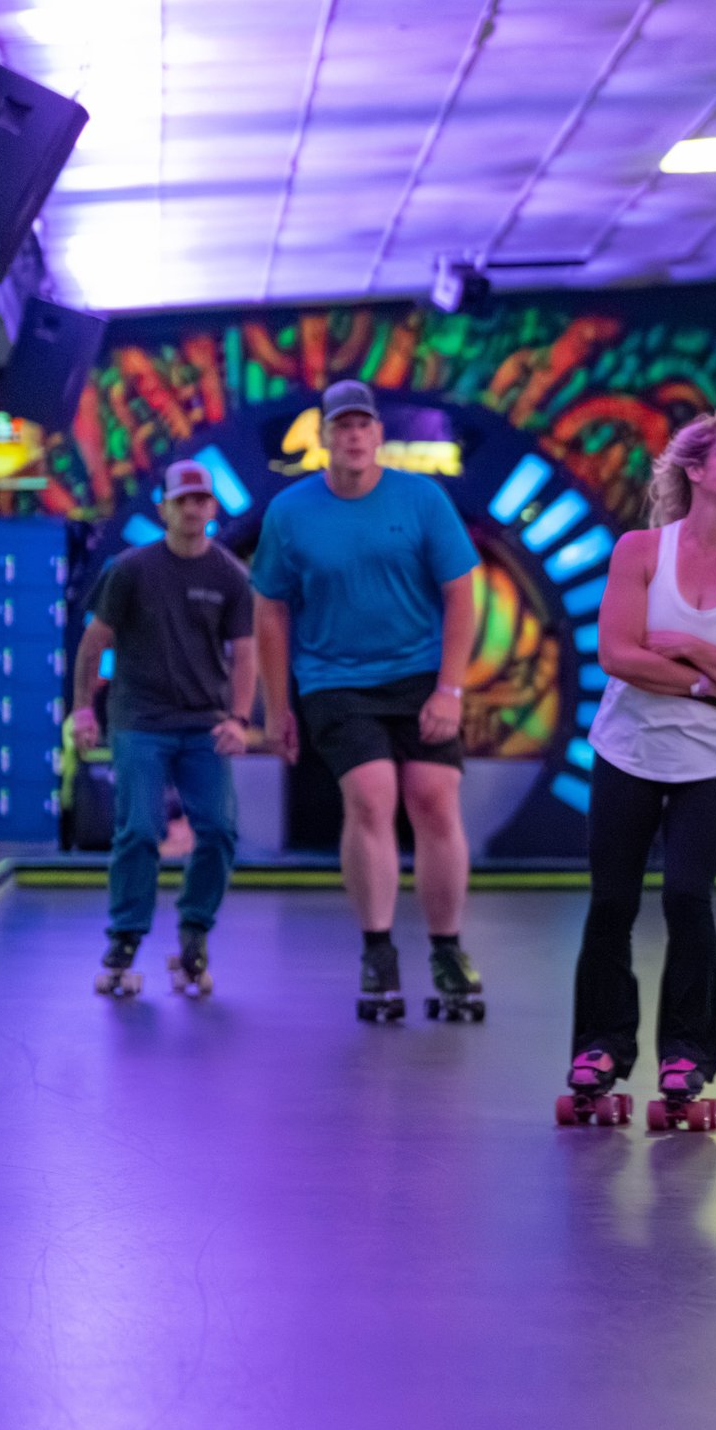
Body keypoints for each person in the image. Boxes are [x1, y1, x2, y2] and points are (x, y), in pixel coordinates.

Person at [561, 411, 716, 1128]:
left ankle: (686, 1051)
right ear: (694, 469)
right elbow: (619, 654)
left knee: (688, 898)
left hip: (715, 757)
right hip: (629, 747)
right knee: (613, 900)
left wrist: (688, 651)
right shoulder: (641, 550)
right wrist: (713, 683)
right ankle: (601, 1044)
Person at [253, 380, 484, 1022]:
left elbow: (462, 595)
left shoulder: (421, 499)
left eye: (363, 425)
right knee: (372, 794)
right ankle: (378, 950)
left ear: (378, 435)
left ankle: (446, 949)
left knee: (435, 799)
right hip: (335, 679)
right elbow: (269, 609)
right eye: (340, 426)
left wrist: (449, 689)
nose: (353, 436)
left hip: (420, 674)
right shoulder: (290, 512)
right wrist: (277, 709)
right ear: (322, 437)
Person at [71, 460, 255, 998]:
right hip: (141, 721)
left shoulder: (229, 576)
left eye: (202, 500)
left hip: (204, 725)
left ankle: (194, 934)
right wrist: (84, 709)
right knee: (140, 829)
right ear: (165, 508)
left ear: (212, 509)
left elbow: (245, 657)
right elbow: (94, 643)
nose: (193, 509)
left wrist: (240, 720)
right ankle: (124, 939)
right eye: (183, 501)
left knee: (219, 832)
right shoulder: (131, 570)